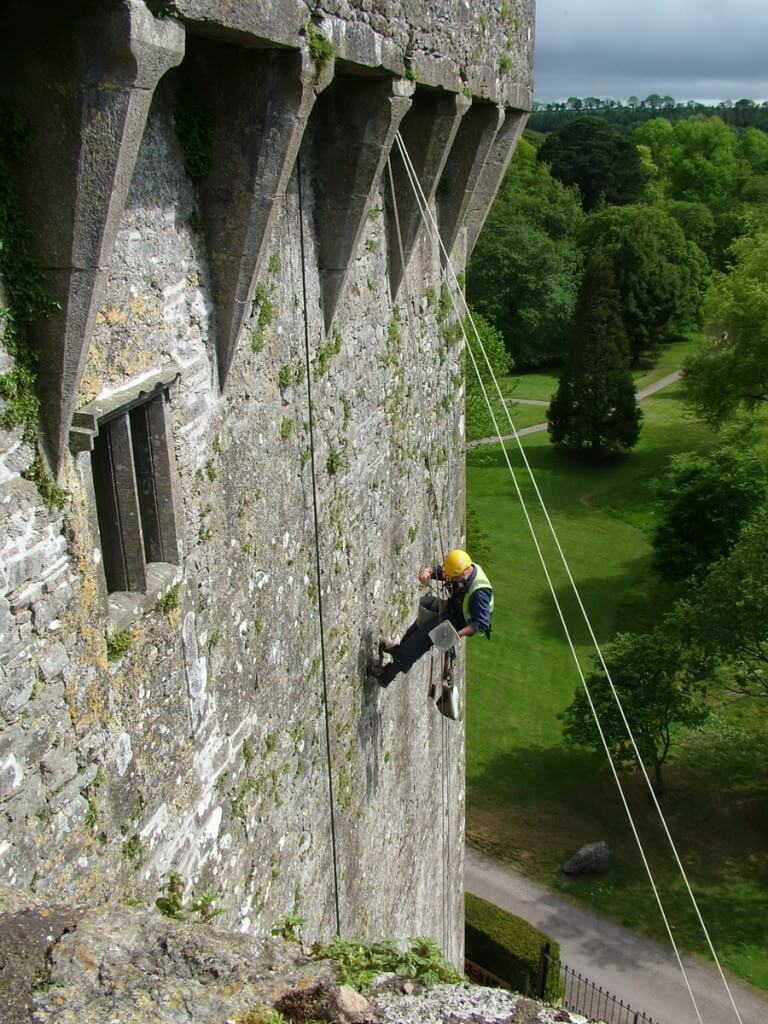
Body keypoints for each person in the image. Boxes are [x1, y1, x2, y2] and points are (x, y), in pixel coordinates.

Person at [369, 548, 493, 687]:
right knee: (418, 626)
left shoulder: (479, 593)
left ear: (464, 572)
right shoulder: (463, 569)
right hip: (453, 608)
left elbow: (481, 623)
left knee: (421, 640)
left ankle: (387, 675)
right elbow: (444, 572)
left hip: (460, 622)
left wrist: (455, 635)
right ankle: (399, 651)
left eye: (453, 577)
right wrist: (428, 571)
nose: (450, 579)